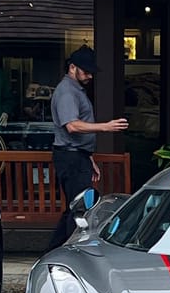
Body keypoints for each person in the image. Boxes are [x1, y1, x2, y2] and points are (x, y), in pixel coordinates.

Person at [46, 46, 128, 250]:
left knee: (76, 208)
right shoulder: (67, 92)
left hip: (77, 156)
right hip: (71, 159)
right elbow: (72, 126)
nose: (90, 75)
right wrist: (106, 126)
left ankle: (55, 252)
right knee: (79, 210)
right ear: (72, 67)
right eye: (86, 71)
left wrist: (88, 158)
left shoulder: (74, 90)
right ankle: (64, 253)